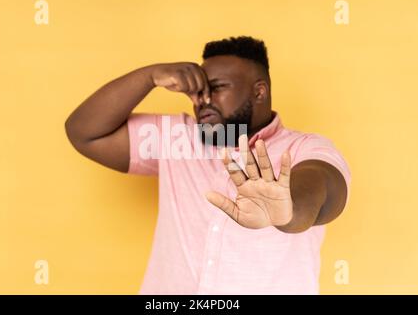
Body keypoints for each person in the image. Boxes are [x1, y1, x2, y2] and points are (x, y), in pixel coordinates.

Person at [65, 36, 351, 294]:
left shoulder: (305, 148)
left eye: (216, 88)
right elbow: (85, 133)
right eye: (199, 92)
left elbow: (324, 190)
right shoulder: (178, 138)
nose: (203, 100)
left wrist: (287, 210)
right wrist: (149, 76)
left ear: (259, 92)